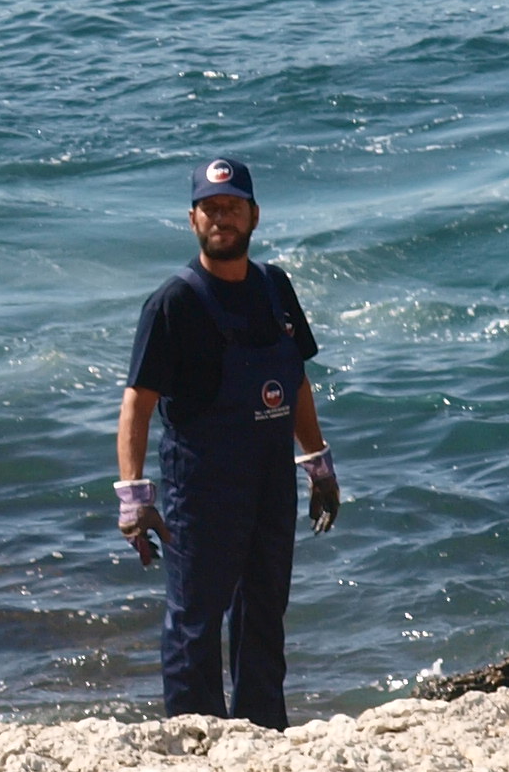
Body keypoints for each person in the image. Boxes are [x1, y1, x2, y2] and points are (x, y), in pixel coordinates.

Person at [115, 156, 340, 729]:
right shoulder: (174, 302)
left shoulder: (274, 287)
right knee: (195, 622)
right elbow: (137, 402)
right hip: (202, 487)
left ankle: (263, 732)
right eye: (211, 209)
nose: (222, 218)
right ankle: (196, 740)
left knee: (264, 615)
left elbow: (295, 380)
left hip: (269, 481)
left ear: (254, 216)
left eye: (232, 208)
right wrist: (134, 497)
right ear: (192, 220)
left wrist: (317, 464)